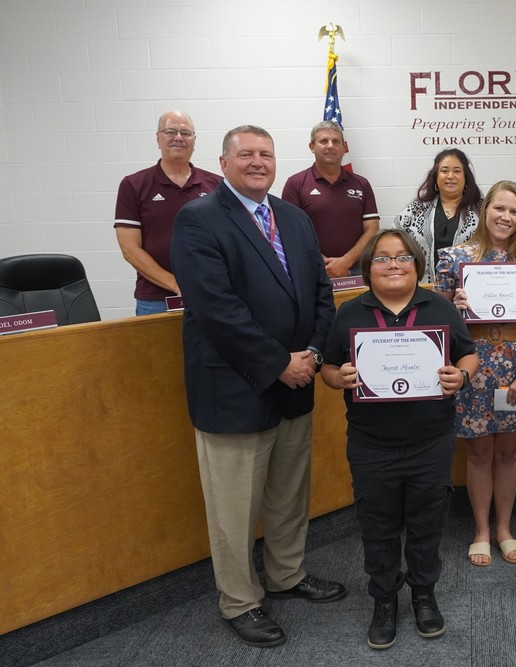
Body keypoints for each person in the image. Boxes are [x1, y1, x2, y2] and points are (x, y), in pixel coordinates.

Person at [170, 125, 343, 649]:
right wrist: (276, 363)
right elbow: (216, 308)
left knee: (289, 491)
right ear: (222, 163)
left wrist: (312, 353)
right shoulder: (198, 219)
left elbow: (319, 290)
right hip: (236, 386)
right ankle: (240, 600)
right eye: (245, 154)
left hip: (297, 381)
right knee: (234, 505)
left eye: (265, 154)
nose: (257, 162)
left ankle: (286, 574)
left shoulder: (291, 217)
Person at [321, 230, 478, 650]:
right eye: (382, 258)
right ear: (367, 267)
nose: (393, 264)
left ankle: (424, 595)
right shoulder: (350, 313)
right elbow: (329, 368)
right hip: (372, 445)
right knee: (378, 526)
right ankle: (384, 600)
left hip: (431, 441)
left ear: (418, 265)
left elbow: (469, 354)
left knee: (428, 524)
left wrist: (460, 376)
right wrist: (342, 377)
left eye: (403, 257)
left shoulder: (439, 307)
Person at [436, 181, 516, 566]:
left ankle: (504, 529)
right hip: (473, 365)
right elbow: (437, 320)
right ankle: (481, 531)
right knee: (478, 453)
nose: (506, 217)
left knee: (507, 453)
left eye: (514, 211)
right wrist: (453, 306)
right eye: (499, 209)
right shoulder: (455, 259)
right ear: (485, 210)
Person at [115, 110, 221, 316]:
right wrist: (177, 285)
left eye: (186, 133)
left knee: (210, 350)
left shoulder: (217, 185)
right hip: (155, 300)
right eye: (170, 131)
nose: (178, 138)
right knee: (158, 350)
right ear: (158, 138)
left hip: (210, 294)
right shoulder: (134, 184)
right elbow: (129, 248)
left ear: (194, 140)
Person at [281, 120, 380, 277]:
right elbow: (290, 232)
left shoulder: (361, 184)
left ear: (343, 147)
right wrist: (324, 265)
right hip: (312, 269)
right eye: (323, 141)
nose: (330, 145)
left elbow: (372, 229)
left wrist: (345, 262)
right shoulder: (295, 183)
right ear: (312, 147)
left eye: (336, 141)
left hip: (355, 270)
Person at [394, 148, 483, 284]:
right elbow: (395, 241)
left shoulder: (482, 210)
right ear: (436, 176)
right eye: (444, 170)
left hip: (469, 290)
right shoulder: (416, 209)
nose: (450, 176)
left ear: (466, 177)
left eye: (457, 171)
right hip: (424, 290)